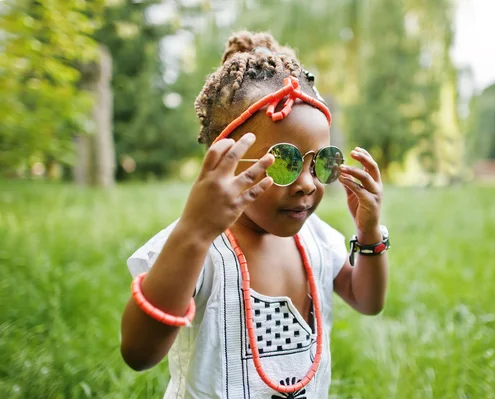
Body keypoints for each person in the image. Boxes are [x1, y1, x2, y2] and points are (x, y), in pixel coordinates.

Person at [120, 31, 389, 399]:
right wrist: (194, 234)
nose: (308, 184)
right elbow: (138, 353)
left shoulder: (316, 241)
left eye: (322, 163)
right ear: (226, 160)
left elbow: (367, 301)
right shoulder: (199, 248)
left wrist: (370, 233)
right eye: (284, 163)